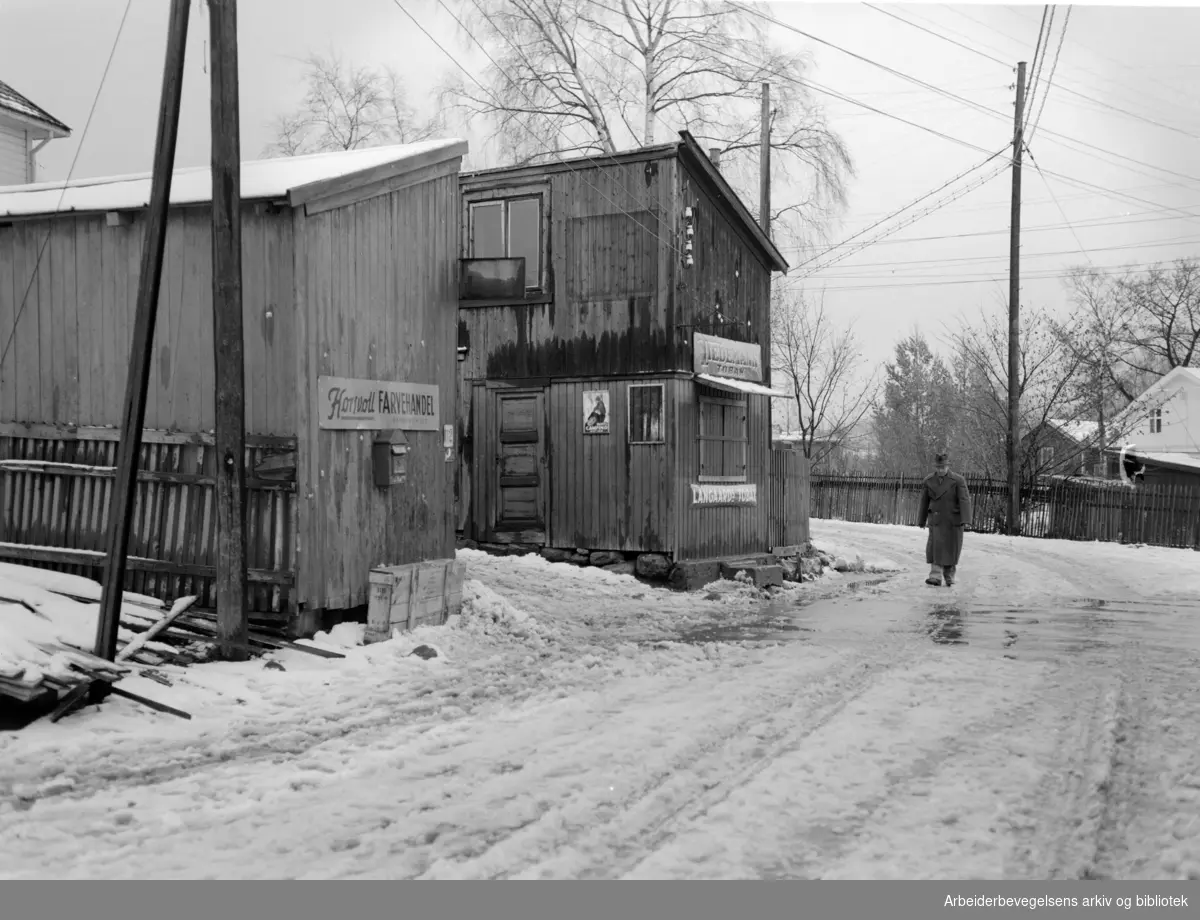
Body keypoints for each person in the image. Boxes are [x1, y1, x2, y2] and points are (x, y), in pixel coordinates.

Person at [916, 452, 973, 587]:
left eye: (943, 467)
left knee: (951, 549)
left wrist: (966, 519)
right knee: (935, 548)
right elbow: (924, 502)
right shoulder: (928, 481)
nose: (941, 470)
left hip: (952, 521)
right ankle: (935, 576)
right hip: (936, 520)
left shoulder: (958, 480)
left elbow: (964, 500)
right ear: (936, 467)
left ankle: (949, 577)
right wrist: (921, 520)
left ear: (948, 466)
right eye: (939, 467)